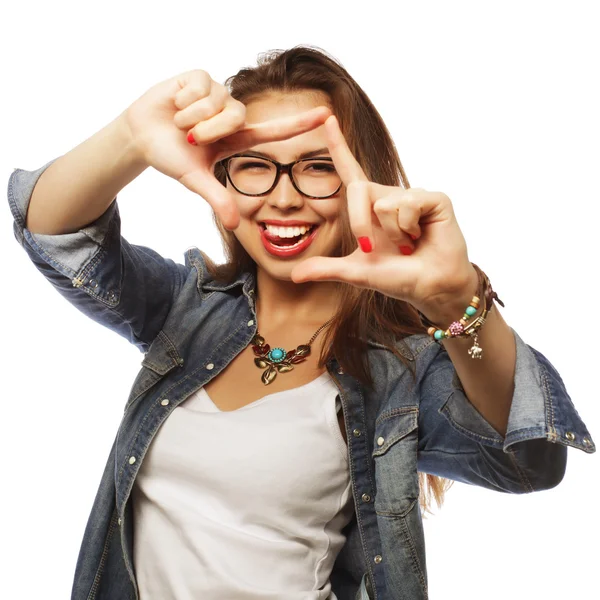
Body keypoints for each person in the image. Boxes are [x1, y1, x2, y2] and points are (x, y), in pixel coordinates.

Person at [7, 45, 595, 600]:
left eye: (317, 167)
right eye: (254, 166)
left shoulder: (399, 373)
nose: (284, 198)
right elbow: (56, 236)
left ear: (363, 179)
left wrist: (455, 300)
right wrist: (132, 135)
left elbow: (528, 460)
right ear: (218, 175)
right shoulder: (185, 306)